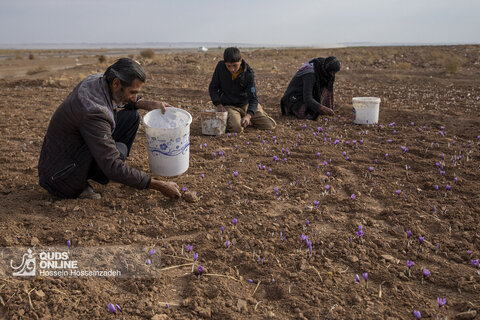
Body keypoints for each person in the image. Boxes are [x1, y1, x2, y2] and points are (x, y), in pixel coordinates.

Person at [38, 58, 181, 200]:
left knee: (131, 117)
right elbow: (112, 165)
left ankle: (103, 170)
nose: (134, 97)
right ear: (116, 83)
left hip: (73, 148)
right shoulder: (94, 111)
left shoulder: (98, 80)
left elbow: (121, 99)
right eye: (133, 92)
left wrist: (147, 104)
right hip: (61, 176)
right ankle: (83, 183)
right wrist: (159, 185)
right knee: (118, 152)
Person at [209, 47, 276, 133]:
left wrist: (248, 115)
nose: (232, 69)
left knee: (270, 125)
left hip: (246, 104)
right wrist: (218, 104)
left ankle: (246, 117)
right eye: (228, 66)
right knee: (237, 129)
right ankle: (235, 118)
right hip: (229, 106)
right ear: (225, 63)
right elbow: (213, 87)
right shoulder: (220, 67)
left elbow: (253, 99)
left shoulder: (248, 74)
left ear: (240, 61)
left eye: (235, 65)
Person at [281, 56, 341, 120]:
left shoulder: (323, 67)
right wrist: (322, 108)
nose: (332, 75)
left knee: (327, 84)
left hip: (305, 95)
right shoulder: (310, 75)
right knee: (308, 113)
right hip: (294, 98)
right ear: (327, 69)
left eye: (334, 73)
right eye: (331, 72)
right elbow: (307, 98)